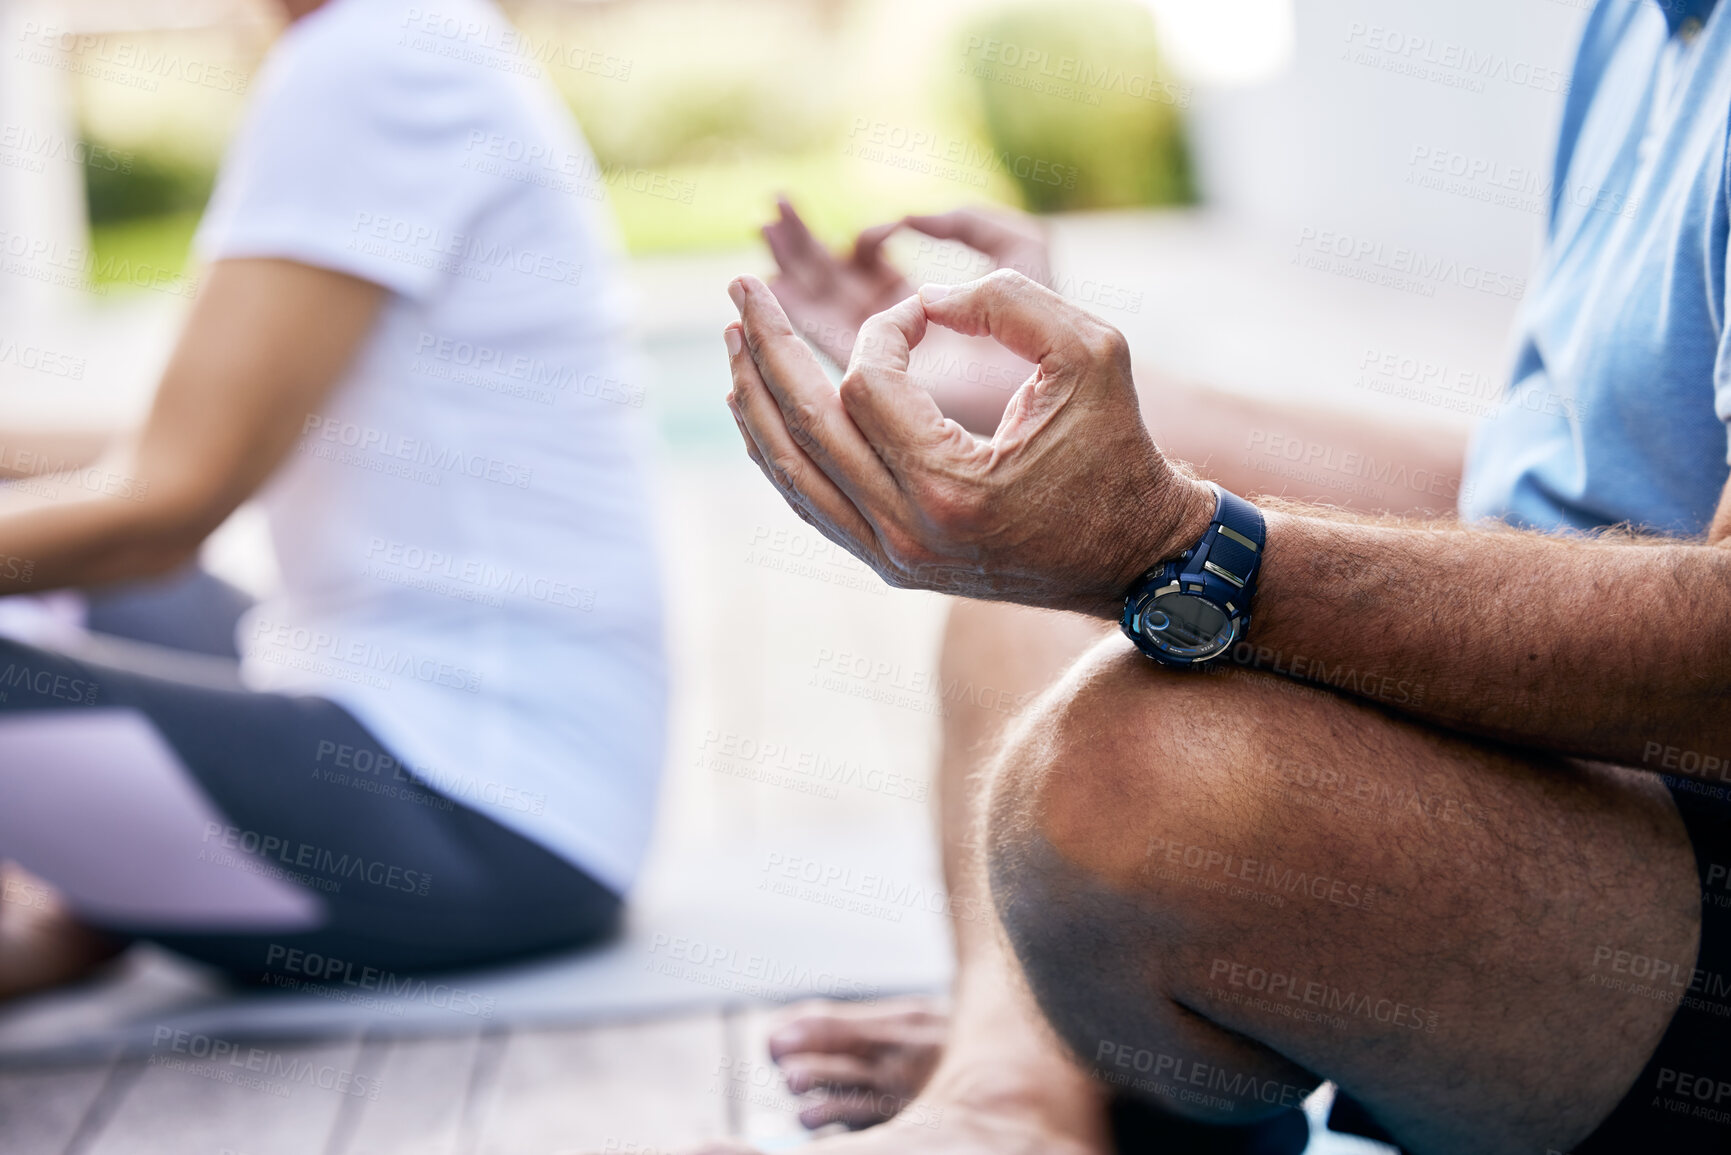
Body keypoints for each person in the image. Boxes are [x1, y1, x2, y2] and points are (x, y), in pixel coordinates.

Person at [700, 1, 1731, 1151]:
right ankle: (1016, 1088)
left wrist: (1178, 544)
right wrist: (1045, 416)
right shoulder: (1642, 25)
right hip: (1591, 768)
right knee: (1018, 612)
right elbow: (1539, 495)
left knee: (1126, 780)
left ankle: (1044, 1060)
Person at [0, 0, 664, 996]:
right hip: (479, 768)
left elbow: (168, 505)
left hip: (476, 815)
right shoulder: (411, 40)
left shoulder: (372, 61)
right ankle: (85, 908)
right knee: (67, 588)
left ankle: (97, 898)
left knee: (73, 576)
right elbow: (183, 442)